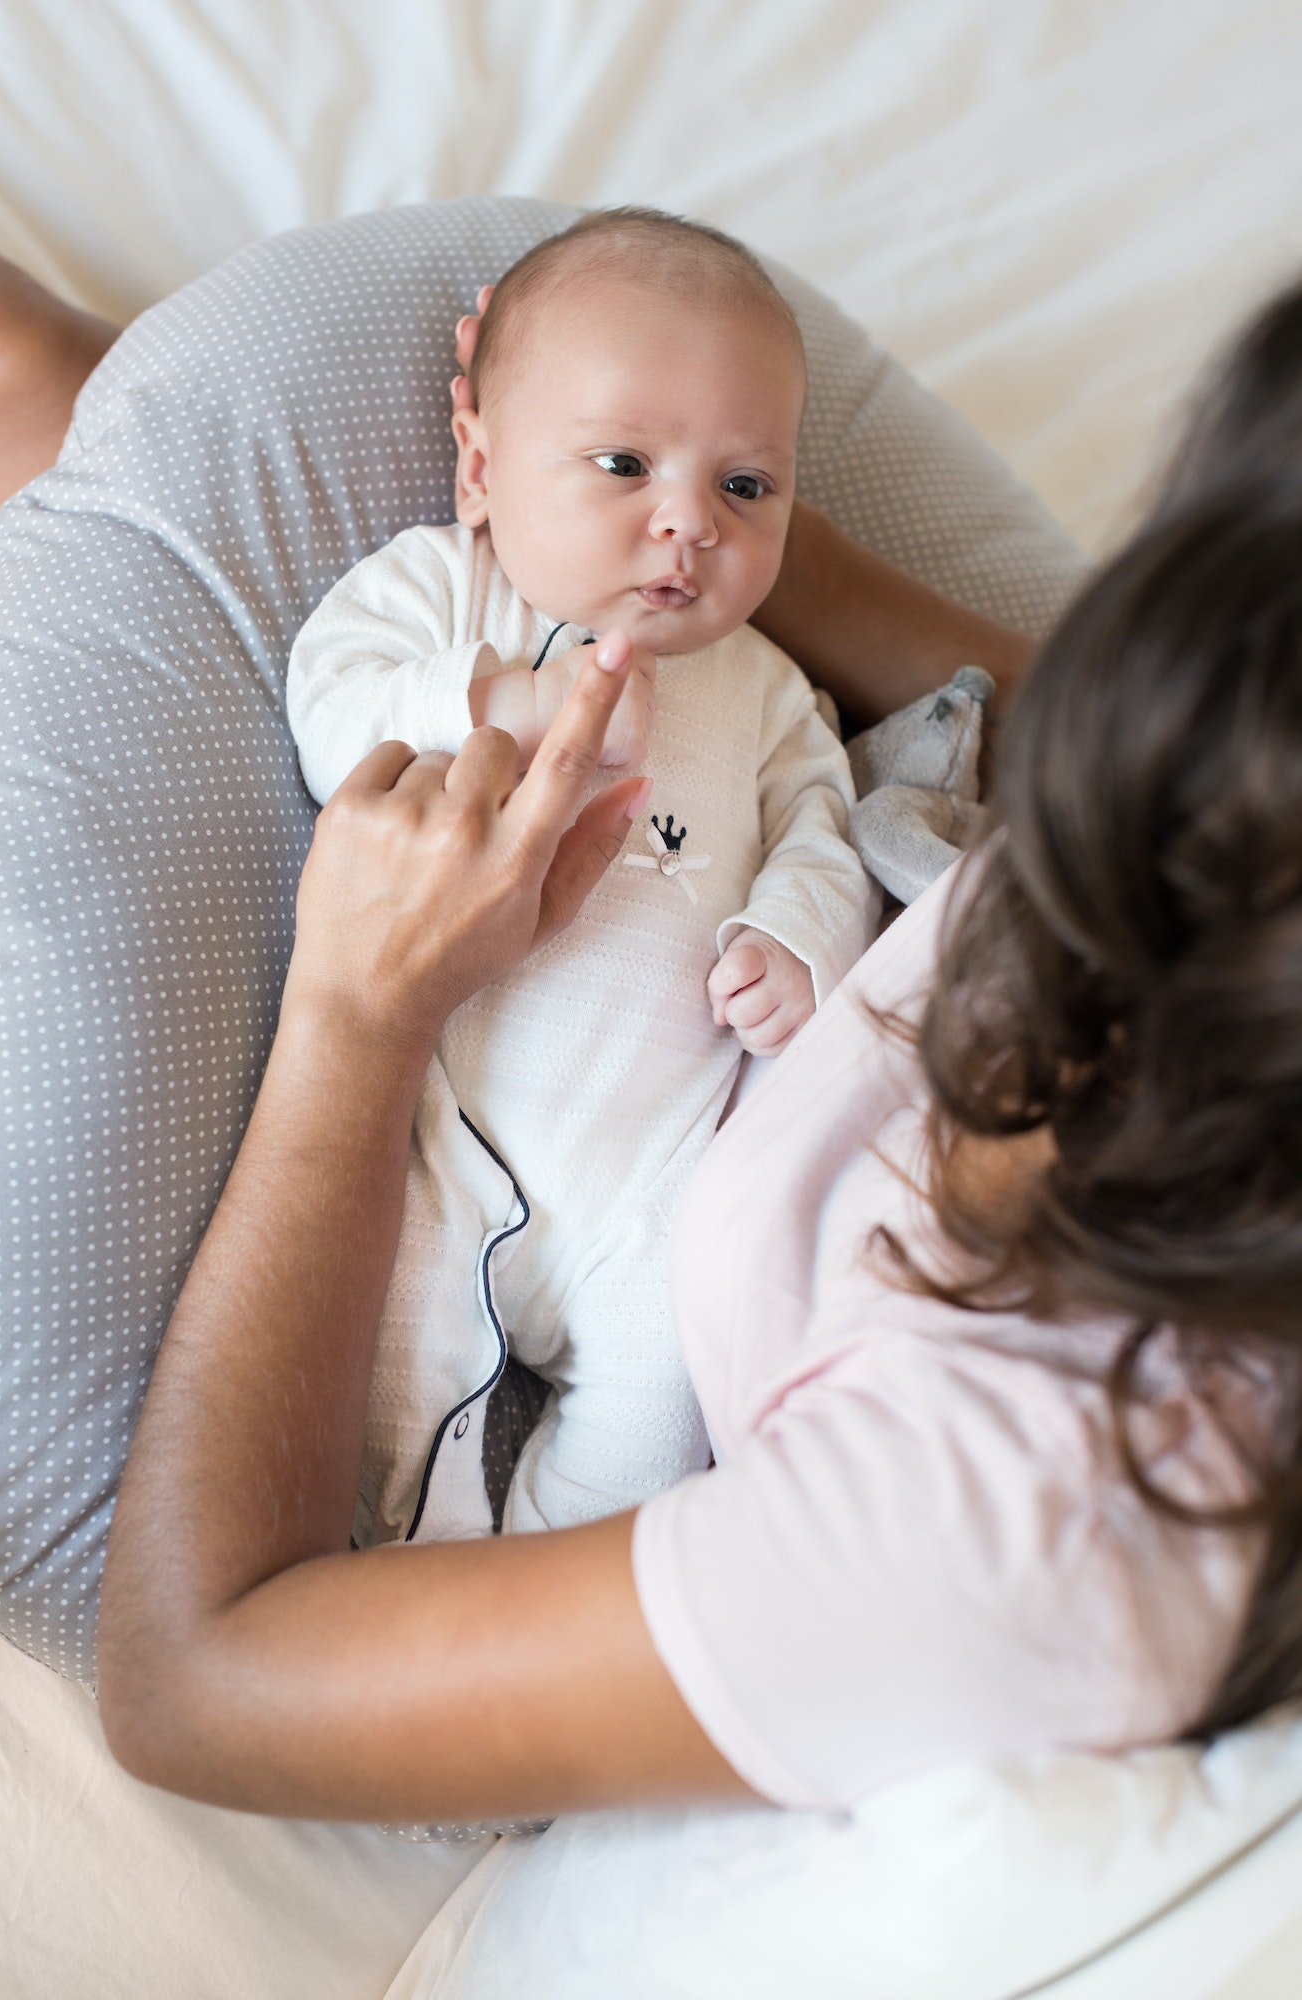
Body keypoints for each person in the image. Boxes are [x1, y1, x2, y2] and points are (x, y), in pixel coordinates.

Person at [89, 275, 1302, 1825]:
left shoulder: (1032, 1510)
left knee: (608, 1409)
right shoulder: (1177, 802)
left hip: (646, 1169)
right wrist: (660, 476)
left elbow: (200, 1681)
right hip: (484, 1131)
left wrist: (357, 1009)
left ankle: (475, 1543)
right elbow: (1044, 694)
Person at [287, 209, 877, 1544]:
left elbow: (823, 833)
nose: (687, 527)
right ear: (483, 467)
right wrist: (504, 697)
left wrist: (795, 941)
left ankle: (526, 1598)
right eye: (623, 464)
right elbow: (331, 705)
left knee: (653, 1446)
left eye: (745, 488)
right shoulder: (449, 594)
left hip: (658, 1186)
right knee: (375, 1412)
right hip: (449, 1140)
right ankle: (393, 1583)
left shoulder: (770, 690)